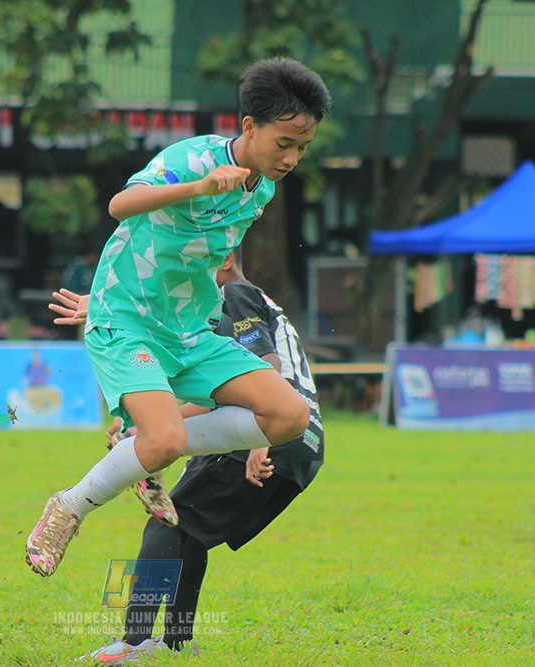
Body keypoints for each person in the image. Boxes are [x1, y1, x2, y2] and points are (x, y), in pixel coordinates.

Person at [25, 57, 330, 578]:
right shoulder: (193, 160)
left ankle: (137, 449)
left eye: (302, 148)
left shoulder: (262, 189)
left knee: (290, 419)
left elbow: (210, 260)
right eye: (285, 144)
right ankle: (68, 507)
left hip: (188, 332)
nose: (292, 158)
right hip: (128, 323)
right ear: (250, 127)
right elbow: (122, 205)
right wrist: (199, 188)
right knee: (164, 439)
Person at [52, 249, 324, 663]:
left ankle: (133, 643)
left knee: (163, 523)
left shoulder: (233, 292)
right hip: (301, 444)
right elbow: (216, 389)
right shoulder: (213, 309)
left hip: (267, 433)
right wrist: (144, 422)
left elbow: (266, 367)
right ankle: (177, 643)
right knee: (187, 528)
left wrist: (259, 441)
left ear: (227, 258)